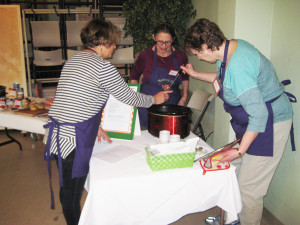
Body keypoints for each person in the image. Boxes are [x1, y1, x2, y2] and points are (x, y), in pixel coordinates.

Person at [43, 18, 172, 225]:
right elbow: (129, 97)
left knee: (65, 187)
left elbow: (74, 98)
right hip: (72, 139)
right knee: (72, 194)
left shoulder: (72, 60)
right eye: (112, 42)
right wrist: (154, 99)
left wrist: (96, 127)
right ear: (102, 42)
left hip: (56, 135)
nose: (114, 47)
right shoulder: (103, 67)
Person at [182, 18, 294, 225]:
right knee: (236, 175)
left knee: (250, 189)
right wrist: (195, 74)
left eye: (198, 52)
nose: (198, 56)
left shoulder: (239, 65)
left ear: (206, 46)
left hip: (269, 123)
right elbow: (223, 78)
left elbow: (259, 115)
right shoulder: (231, 48)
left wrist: (240, 150)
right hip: (255, 121)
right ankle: (235, 218)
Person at [130, 22, 189, 128]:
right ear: (154, 37)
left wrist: (184, 96)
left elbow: (185, 77)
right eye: (160, 42)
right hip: (147, 107)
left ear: (173, 39)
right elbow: (134, 77)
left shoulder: (181, 56)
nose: (164, 46)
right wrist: (135, 99)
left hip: (172, 106)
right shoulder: (145, 55)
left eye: (168, 42)